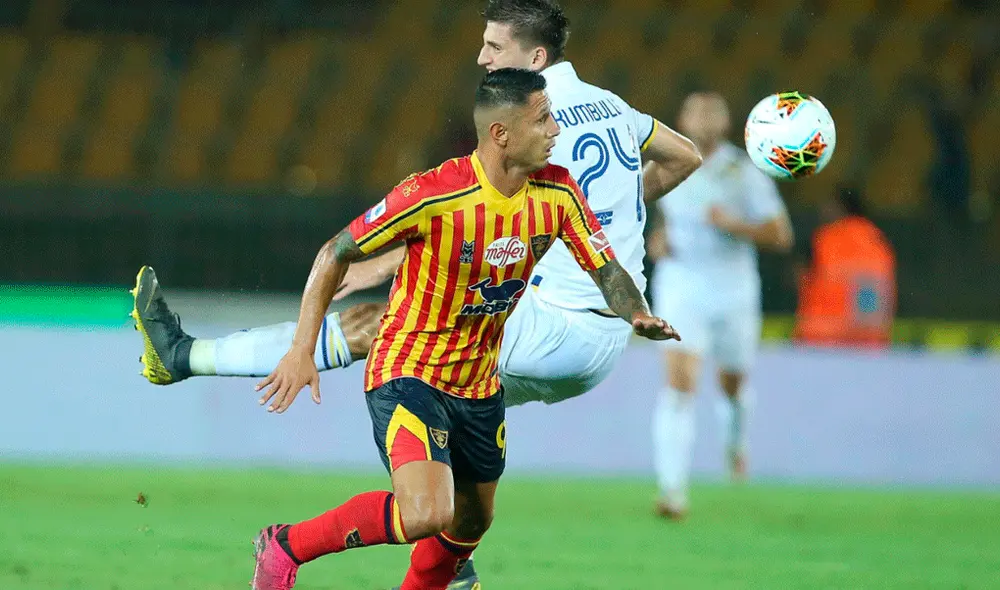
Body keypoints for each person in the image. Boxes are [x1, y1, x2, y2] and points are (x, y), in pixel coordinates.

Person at [131, 1, 700, 585]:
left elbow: (471, 210)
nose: (481, 56)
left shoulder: (535, 122)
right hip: (599, 340)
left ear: (535, 58)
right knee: (464, 507)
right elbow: (685, 156)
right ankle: (448, 563)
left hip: (558, 323)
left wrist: (390, 263)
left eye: (495, 47)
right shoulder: (616, 109)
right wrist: (615, 224)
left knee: (387, 324)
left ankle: (188, 358)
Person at [231, 68, 676, 590]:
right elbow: (335, 252)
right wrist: (301, 349)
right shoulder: (434, 193)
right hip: (409, 370)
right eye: (544, 118)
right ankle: (285, 547)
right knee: (424, 513)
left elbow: (606, 268)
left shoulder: (559, 192)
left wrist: (636, 312)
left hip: (480, 384)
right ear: (501, 133)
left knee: (472, 520)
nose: (556, 129)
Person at [646, 92, 793, 520]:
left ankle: (735, 442)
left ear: (727, 121)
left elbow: (781, 235)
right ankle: (671, 490)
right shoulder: (667, 161)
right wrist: (658, 240)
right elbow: (659, 215)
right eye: (696, 110)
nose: (705, 118)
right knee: (679, 384)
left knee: (731, 384)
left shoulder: (743, 171)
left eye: (713, 111)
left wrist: (734, 225)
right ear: (682, 117)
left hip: (733, 288)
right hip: (681, 284)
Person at [794, 184, 895, 348]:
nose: (823, 209)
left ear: (840, 207)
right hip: (869, 344)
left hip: (821, 342)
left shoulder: (823, 240)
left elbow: (802, 276)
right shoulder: (879, 242)